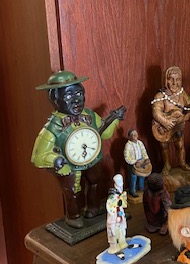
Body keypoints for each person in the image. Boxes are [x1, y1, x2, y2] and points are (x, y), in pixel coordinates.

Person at [31, 70, 126, 229]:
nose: (76, 100)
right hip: (68, 166)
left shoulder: (89, 115)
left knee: (94, 182)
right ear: (54, 99)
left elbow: (104, 132)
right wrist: (55, 160)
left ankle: (93, 208)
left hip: (92, 158)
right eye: (69, 96)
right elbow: (38, 156)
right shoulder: (53, 127)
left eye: (79, 93)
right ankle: (73, 216)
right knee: (72, 191)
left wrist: (115, 119)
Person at [151, 66, 190, 173]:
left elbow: (188, 107)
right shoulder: (160, 95)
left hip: (178, 126)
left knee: (180, 144)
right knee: (164, 146)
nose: (174, 83)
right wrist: (165, 121)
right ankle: (167, 165)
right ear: (165, 80)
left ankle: (182, 162)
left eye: (177, 79)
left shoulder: (182, 94)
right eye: (171, 79)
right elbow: (156, 112)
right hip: (164, 127)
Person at [106, 174, 128, 257]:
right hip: (114, 217)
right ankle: (114, 247)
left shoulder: (120, 193)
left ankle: (122, 243)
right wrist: (116, 206)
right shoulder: (112, 197)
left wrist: (121, 211)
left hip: (120, 214)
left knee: (121, 230)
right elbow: (110, 206)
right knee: (113, 232)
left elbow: (122, 203)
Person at [124, 129, 151, 197]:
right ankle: (132, 190)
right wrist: (134, 162)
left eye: (136, 134)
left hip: (141, 161)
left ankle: (141, 187)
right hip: (133, 163)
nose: (135, 135)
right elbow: (127, 157)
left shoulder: (140, 143)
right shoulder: (128, 145)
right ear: (130, 137)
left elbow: (144, 151)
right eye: (133, 134)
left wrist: (146, 158)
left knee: (142, 175)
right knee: (133, 177)